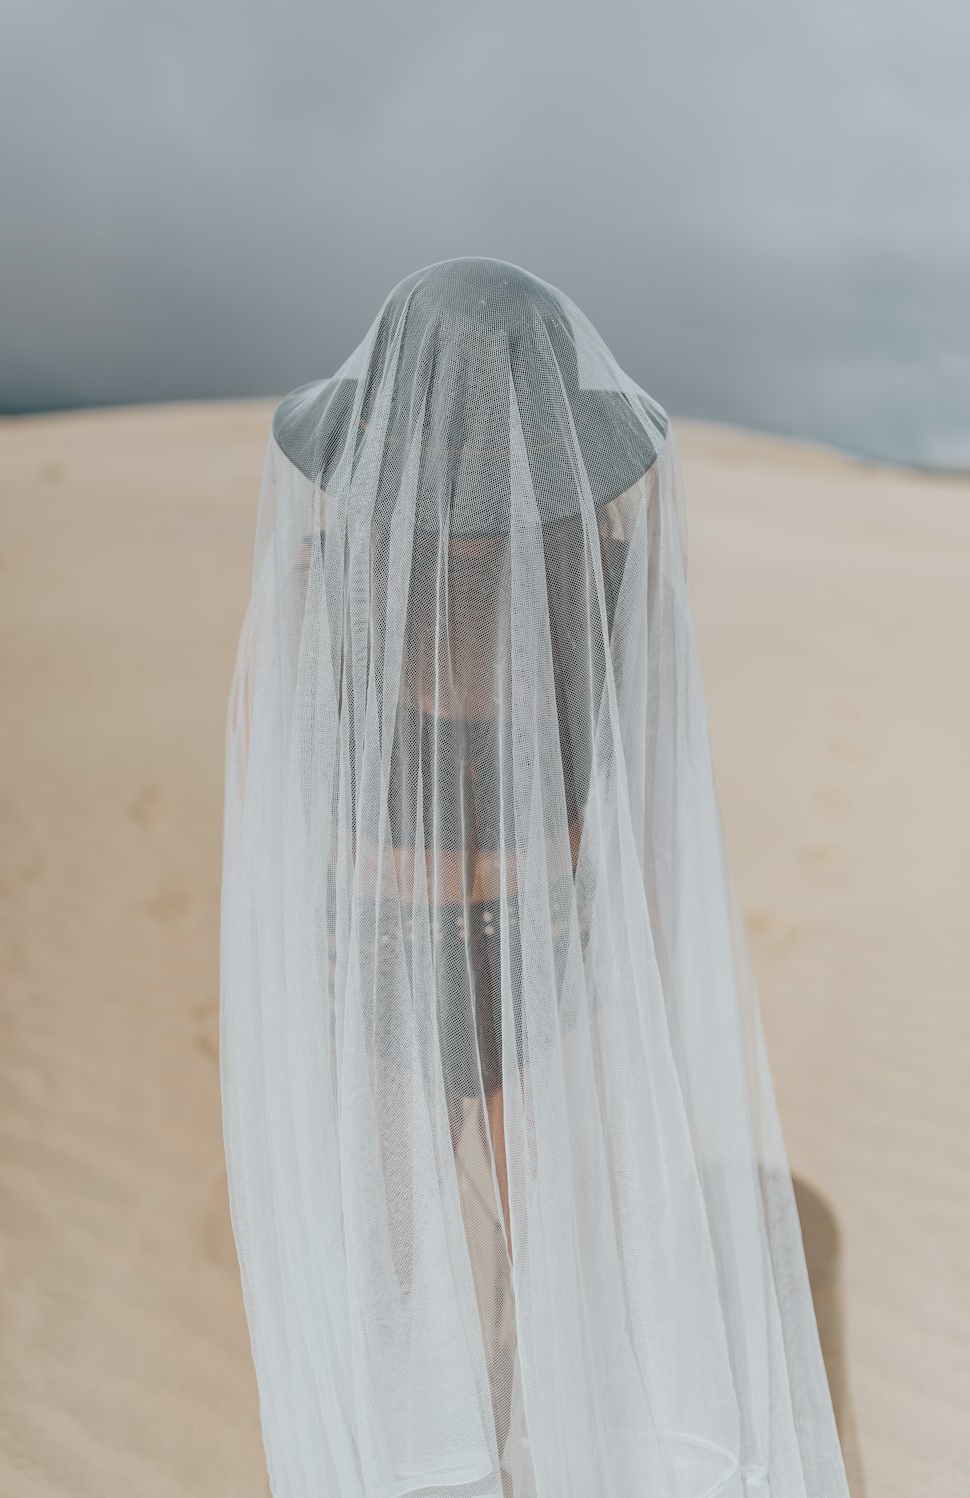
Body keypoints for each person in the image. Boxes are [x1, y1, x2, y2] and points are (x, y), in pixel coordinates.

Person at [219, 257, 851, 1498]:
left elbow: (294, 815)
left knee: (408, 1283)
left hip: (386, 952)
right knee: (546, 1271)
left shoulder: (330, 584)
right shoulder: (605, 583)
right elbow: (645, 814)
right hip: (534, 944)